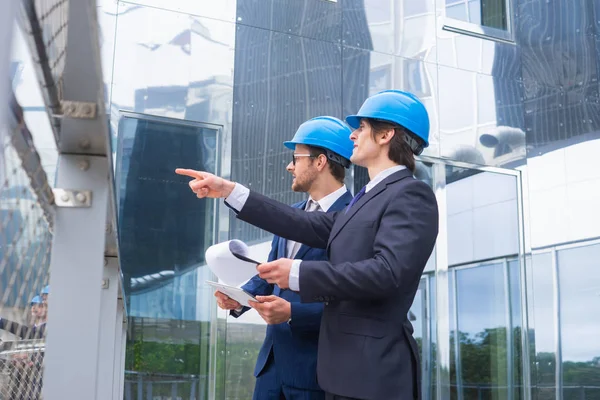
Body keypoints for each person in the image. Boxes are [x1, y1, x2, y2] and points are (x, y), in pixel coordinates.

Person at [177, 89, 439, 400]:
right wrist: (229, 190)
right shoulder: (364, 200)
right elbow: (300, 222)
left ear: (386, 135)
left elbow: (389, 273)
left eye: (362, 127)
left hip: (373, 375)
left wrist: (299, 274)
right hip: (344, 375)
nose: (353, 135)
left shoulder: (411, 194)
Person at [215, 116, 354, 400]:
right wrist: (240, 298)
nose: (289, 166)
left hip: (314, 372)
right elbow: (269, 273)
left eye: (296, 157)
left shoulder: (355, 219)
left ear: (320, 162)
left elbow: (353, 303)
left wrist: (293, 313)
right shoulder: (292, 214)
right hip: (271, 369)